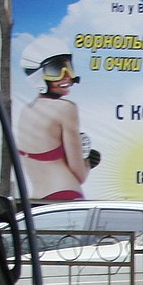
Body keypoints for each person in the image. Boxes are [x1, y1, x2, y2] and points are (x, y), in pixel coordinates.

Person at [16, 35, 100, 201]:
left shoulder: (26, 111)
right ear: (37, 76)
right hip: (66, 194)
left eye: (69, 67)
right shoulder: (66, 108)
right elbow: (79, 174)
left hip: (37, 198)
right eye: (56, 69)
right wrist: (89, 162)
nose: (67, 75)